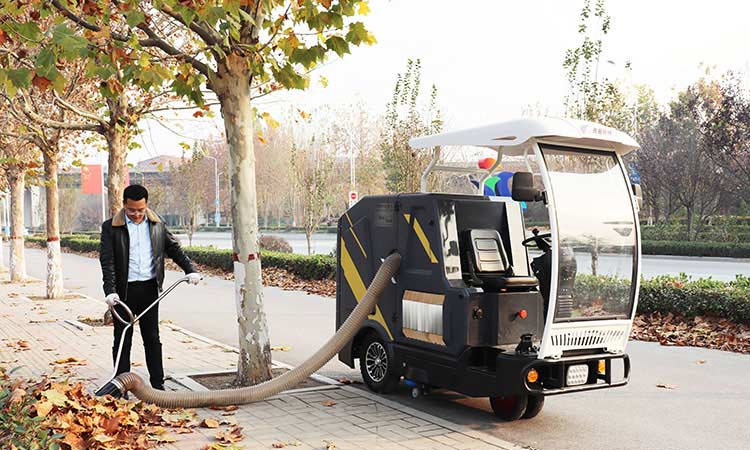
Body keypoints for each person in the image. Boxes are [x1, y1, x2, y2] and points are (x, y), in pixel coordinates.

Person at [99, 184, 201, 390]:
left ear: (146, 205)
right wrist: (110, 291)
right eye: (131, 210)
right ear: (124, 205)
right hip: (122, 292)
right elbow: (107, 261)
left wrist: (190, 269)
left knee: (152, 337)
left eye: (140, 210)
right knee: (122, 339)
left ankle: (158, 386)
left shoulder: (157, 224)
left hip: (149, 289)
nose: (136, 214)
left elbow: (174, 248)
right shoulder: (111, 227)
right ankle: (120, 386)